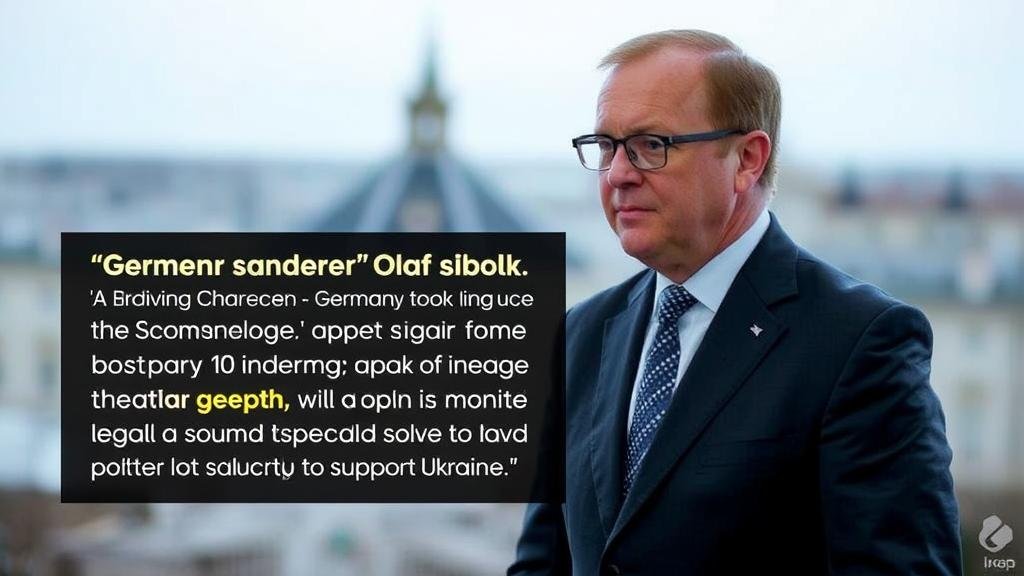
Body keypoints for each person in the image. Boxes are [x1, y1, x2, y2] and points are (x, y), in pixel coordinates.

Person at [509, 30, 962, 575]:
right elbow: (543, 562)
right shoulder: (583, 333)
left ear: (747, 159)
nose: (618, 174)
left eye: (651, 145)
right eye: (606, 146)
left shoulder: (859, 341)